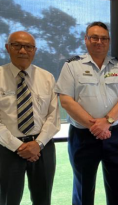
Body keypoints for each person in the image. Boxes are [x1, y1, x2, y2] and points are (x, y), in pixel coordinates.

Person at [55, 22, 118, 205]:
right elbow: (66, 100)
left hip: (116, 135)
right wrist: (95, 126)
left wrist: (106, 122)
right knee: (83, 187)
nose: (99, 41)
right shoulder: (72, 66)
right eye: (94, 37)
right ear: (86, 40)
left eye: (104, 38)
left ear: (108, 41)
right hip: (83, 136)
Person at [0, 31, 60, 205]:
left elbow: (53, 116)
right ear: (7, 48)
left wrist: (37, 144)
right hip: (7, 150)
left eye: (28, 47)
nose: (22, 51)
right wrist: (19, 147)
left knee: (43, 199)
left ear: (34, 50)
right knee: (7, 200)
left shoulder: (47, 77)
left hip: (43, 148)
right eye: (17, 45)